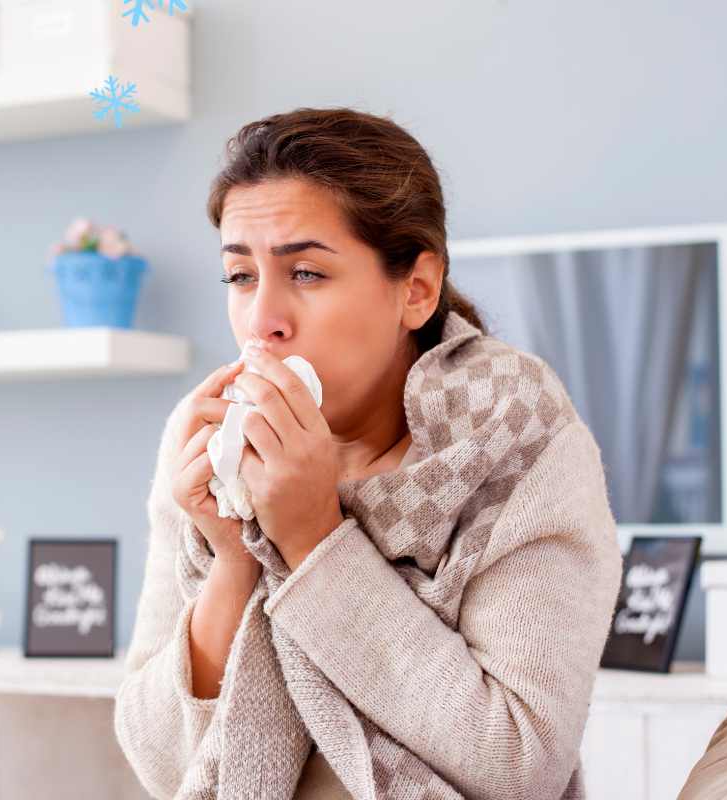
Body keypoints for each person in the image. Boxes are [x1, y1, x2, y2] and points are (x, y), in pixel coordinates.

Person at [113, 107, 623, 800]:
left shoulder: (515, 436)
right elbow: (160, 763)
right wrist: (235, 560)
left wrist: (311, 539)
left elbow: (520, 763)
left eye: (308, 275)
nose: (263, 320)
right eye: (240, 277)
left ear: (415, 290)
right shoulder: (208, 441)